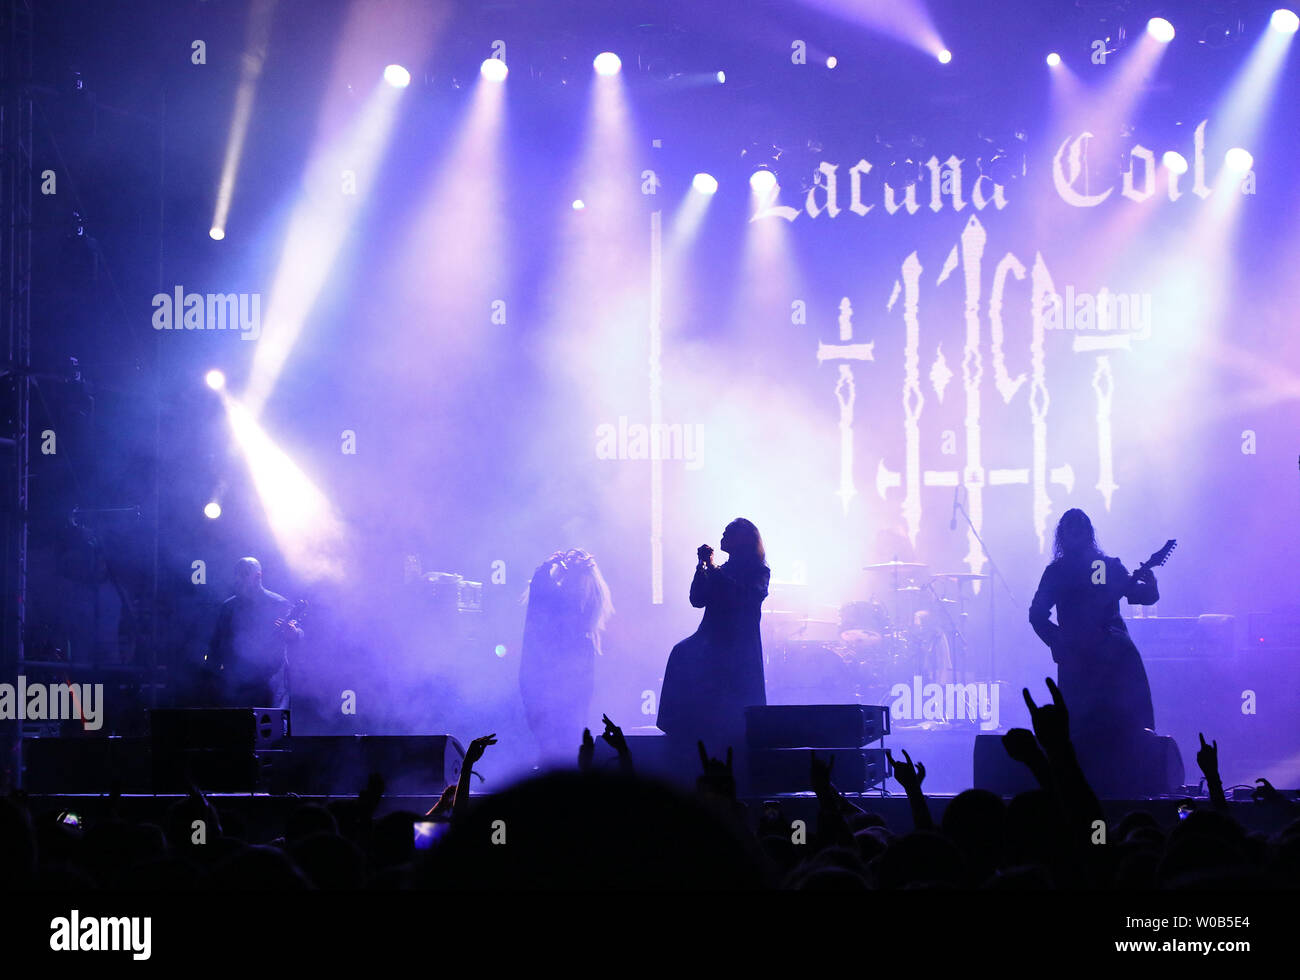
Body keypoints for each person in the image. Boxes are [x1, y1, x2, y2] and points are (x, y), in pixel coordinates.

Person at [1028, 509, 1157, 742]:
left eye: (1079, 528)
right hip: (1085, 659)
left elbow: (1140, 595)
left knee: (1123, 726)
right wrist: (1059, 642)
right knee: (1085, 729)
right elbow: (1036, 615)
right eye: (1071, 528)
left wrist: (1151, 586)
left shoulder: (1097, 567)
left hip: (1109, 657)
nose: (1076, 533)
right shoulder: (1059, 572)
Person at [658, 519, 770, 743]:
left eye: (728, 533)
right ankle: (678, 722)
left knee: (687, 654)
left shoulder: (758, 570)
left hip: (737, 640)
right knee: (681, 652)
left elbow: (739, 594)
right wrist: (701, 567)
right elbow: (697, 599)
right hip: (710, 636)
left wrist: (712, 567)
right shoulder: (723, 569)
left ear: (742, 539)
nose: (722, 537)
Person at [519, 549, 613, 765]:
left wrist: (546, 567)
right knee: (567, 740)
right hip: (563, 688)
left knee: (556, 742)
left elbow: (541, 594)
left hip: (552, 687)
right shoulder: (585, 608)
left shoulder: (567, 608)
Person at [206, 557, 301, 708]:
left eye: (244, 573)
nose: (239, 578)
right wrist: (215, 675)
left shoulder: (278, 603)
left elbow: (299, 633)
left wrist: (294, 633)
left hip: (270, 680)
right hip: (237, 680)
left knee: (271, 726)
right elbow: (216, 643)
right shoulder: (229, 607)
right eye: (237, 574)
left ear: (258, 575)